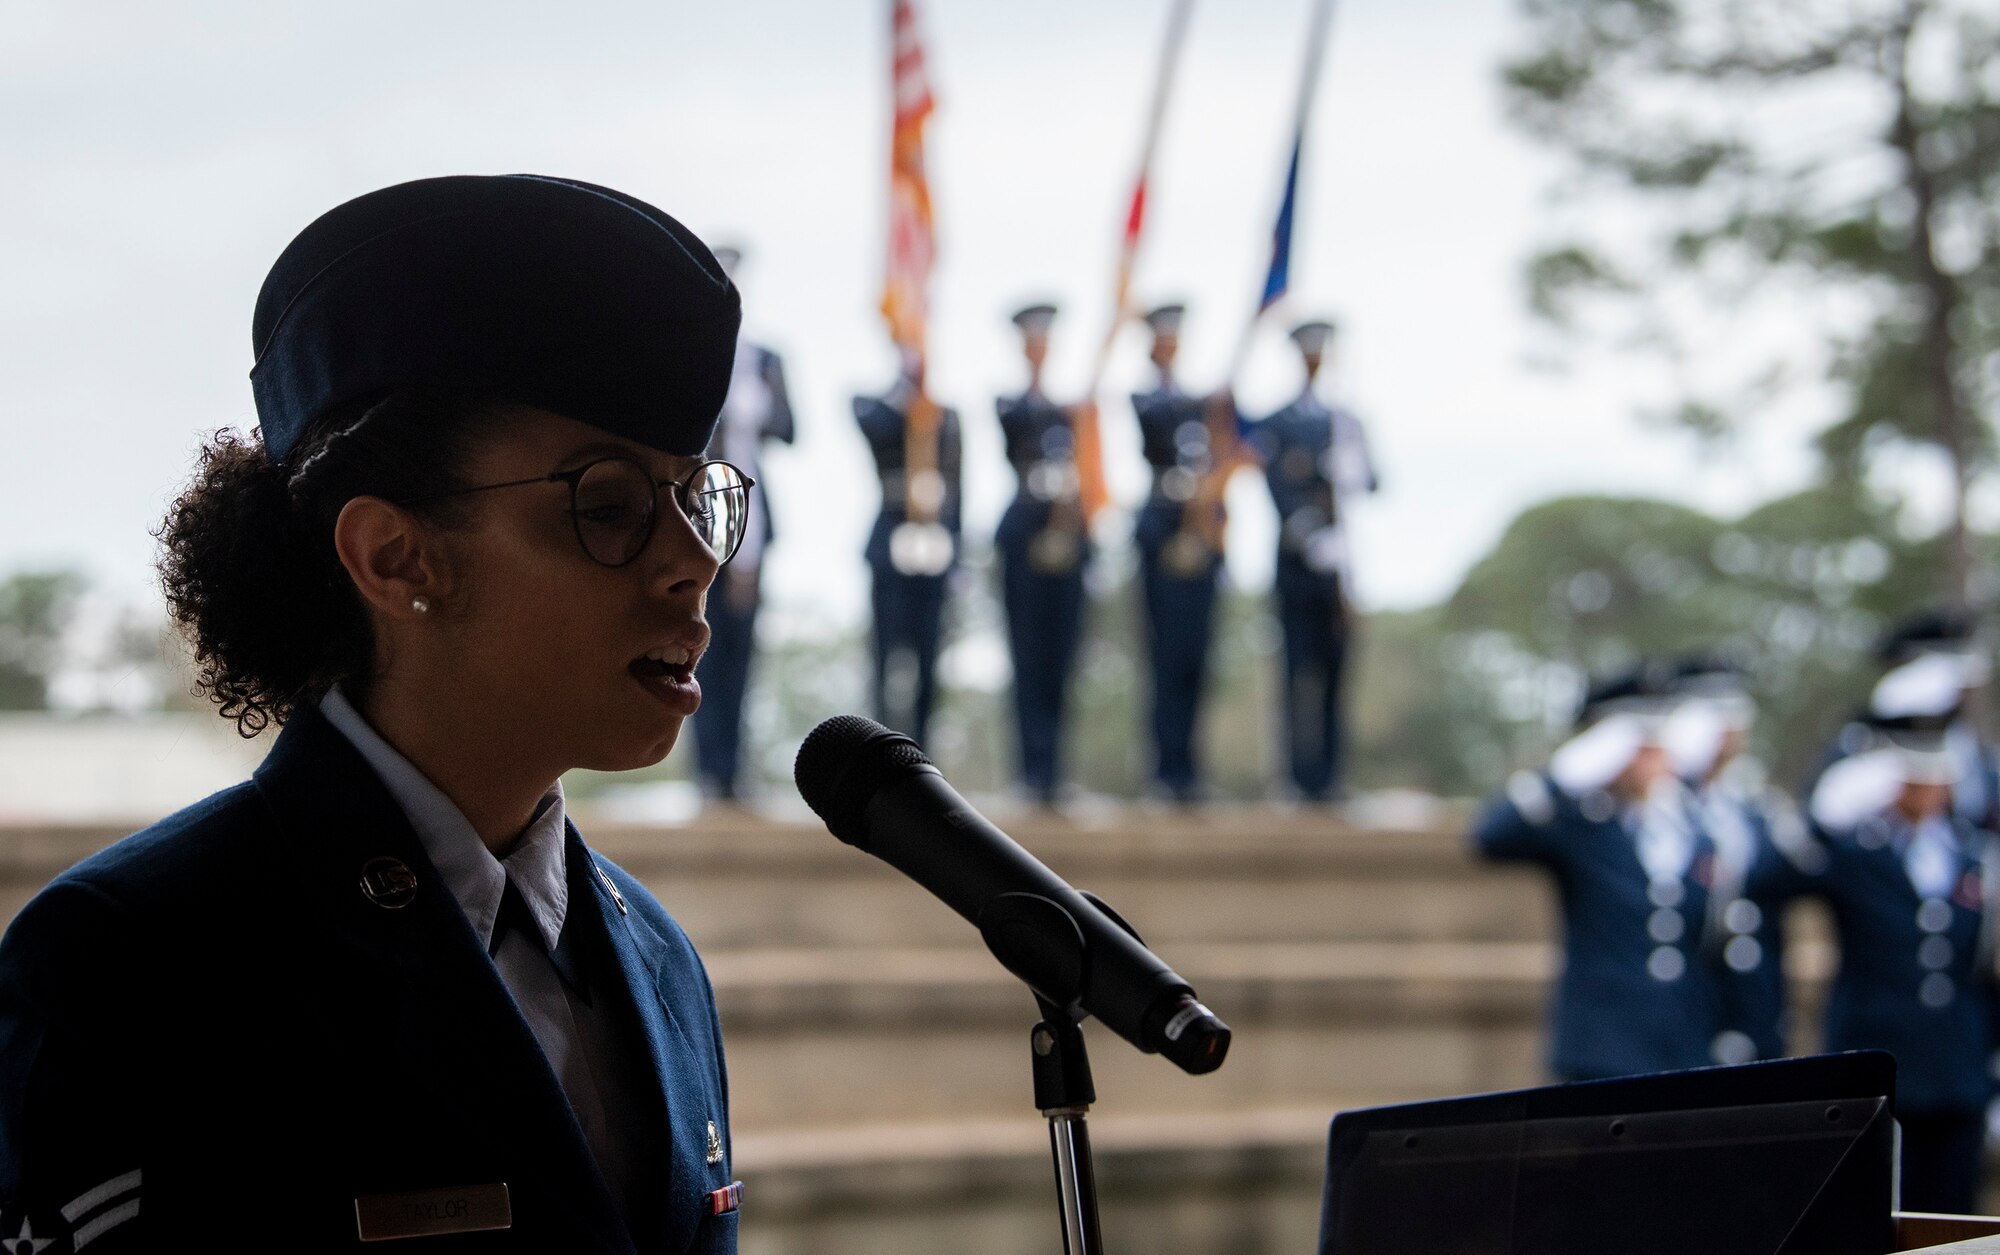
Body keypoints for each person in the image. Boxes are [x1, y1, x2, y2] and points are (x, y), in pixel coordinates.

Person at [0, 175, 750, 1252]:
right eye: (612, 506)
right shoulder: (134, 964)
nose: (690, 564)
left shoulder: (657, 961)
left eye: (698, 500)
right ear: (395, 557)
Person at [1471, 663, 1726, 1081]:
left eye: (1656, 742)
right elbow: (1490, 838)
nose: (1651, 757)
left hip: (1682, 1049)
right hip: (1599, 1051)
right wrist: (1562, 777)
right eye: (1637, 744)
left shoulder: (1694, 830)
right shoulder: (1582, 827)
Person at [1807, 710, 1999, 1214]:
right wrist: (1832, 805)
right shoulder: (1856, 852)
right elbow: (1774, 877)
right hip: (1877, 1063)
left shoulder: (1976, 858)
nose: (1927, 789)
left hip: (1957, 1068)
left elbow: (1986, 970)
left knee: (1952, 1219)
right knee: (1871, 1214)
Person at [1663, 657, 1822, 1064]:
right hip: (1686, 1015)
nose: (1726, 734)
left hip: (1757, 1010)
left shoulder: (1755, 809)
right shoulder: (1662, 810)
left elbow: (1811, 870)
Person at [1245, 319, 1378, 802]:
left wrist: (1353, 469)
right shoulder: (1278, 421)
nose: (1314, 358)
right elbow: (1276, 485)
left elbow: (1374, 483)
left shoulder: (1346, 421)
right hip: (1297, 563)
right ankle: (1296, 777)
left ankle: (1331, 776)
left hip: (1340, 569)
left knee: (1336, 672)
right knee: (1295, 672)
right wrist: (1307, 530)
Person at [692, 243, 796, 803]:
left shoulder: (764, 359)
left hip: (753, 514)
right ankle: (709, 769)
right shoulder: (692, 354)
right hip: (702, 509)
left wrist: (758, 401)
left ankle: (736, 769)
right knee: (699, 641)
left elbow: (789, 427)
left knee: (745, 647)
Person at [1130, 303, 1230, 803]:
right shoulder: (1150, 397)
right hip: (1162, 528)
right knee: (1162, 656)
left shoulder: (1205, 404)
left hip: (1202, 532)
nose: (1169, 344)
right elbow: (1155, 419)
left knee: (1195, 657)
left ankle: (1190, 770)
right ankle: (1163, 770)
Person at [994, 303, 1089, 806]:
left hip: (1069, 529)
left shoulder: (1073, 409)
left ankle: (1056, 770)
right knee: (1027, 652)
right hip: (1026, 529)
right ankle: (1031, 770)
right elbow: (1017, 429)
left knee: (1064, 654)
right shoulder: (1015, 404)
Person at [854, 351, 962, 746]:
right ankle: (882, 743)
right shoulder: (877, 407)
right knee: (886, 653)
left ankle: (922, 748)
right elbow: (872, 427)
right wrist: (907, 402)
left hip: (934, 543)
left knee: (929, 655)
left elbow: (957, 488)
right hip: (891, 537)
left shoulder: (945, 416)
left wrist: (958, 555)